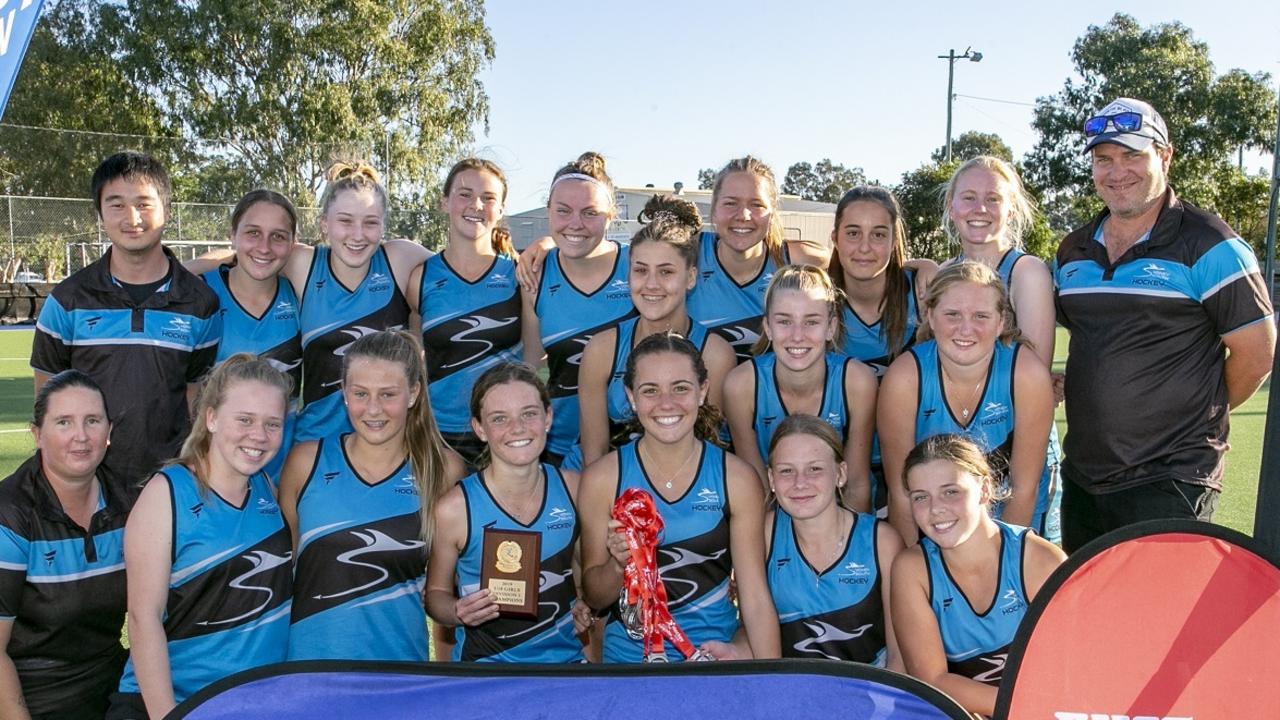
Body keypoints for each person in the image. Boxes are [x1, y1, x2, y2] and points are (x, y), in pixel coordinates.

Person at [1054, 97, 1275, 552]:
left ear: (1165, 155)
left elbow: (1258, 354)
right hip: (1083, 476)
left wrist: (1195, 417)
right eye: (1104, 159)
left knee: (1161, 619)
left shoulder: (1210, 243)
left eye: (1133, 155)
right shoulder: (1073, 250)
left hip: (1170, 478)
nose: (1117, 172)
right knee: (1088, 616)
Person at [186, 161, 432, 445]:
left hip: (389, 441)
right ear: (324, 224)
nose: (357, 234)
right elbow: (245, 252)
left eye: (371, 223)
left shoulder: (399, 258)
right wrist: (173, 273)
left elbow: (453, 270)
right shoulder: (304, 264)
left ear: (384, 226)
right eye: (345, 221)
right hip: (316, 443)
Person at [110, 355, 294, 719]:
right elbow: (143, 619)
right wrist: (169, 715)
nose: (258, 435)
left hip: (250, 702)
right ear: (210, 417)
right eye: (244, 419)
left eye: (272, 424)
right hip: (177, 704)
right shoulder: (168, 494)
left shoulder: (265, 488)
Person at [579, 332, 780, 662]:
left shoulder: (736, 477)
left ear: (703, 391)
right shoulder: (603, 478)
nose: (666, 403)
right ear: (631, 396)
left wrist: (773, 689)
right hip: (630, 664)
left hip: (709, 659)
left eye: (681, 388)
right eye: (650, 391)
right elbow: (595, 597)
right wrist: (617, 566)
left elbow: (755, 597)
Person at [31, 151, 221, 494]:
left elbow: (195, 396)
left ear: (167, 211)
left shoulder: (201, 304)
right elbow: (47, 399)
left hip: (169, 483)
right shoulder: (67, 300)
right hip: (87, 488)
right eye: (116, 204)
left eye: (144, 204)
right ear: (100, 213)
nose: (132, 217)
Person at [280, 330, 465, 662]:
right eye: (361, 393)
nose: (373, 409)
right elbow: (279, 580)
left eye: (388, 394)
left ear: (413, 393)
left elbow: (444, 590)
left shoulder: (443, 469)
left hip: (399, 671)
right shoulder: (305, 462)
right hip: (308, 670)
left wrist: (446, 674)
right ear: (344, 394)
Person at [879, 262, 1058, 544]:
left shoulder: (1026, 374)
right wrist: (919, 566)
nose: (966, 329)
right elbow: (902, 493)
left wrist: (1000, 563)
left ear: (1001, 322)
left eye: (981, 316)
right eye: (952, 314)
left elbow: (1023, 489)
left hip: (1008, 514)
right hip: (934, 517)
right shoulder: (905, 378)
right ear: (931, 317)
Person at [891, 434, 1065, 717]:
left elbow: (1070, 668)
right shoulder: (913, 570)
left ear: (984, 489)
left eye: (951, 492)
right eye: (921, 497)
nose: (936, 509)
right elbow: (933, 680)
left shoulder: (1038, 561)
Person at [426, 363, 589, 662]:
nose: (517, 428)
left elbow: (584, 577)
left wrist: (585, 602)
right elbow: (435, 594)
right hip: (487, 672)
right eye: (499, 418)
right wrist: (456, 611)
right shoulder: (454, 508)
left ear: (548, 417)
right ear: (479, 428)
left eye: (529, 413)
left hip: (565, 668)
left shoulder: (575, 490)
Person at [0, 371, 127, 720]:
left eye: (92, 420)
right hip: (30, 691)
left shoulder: (129, 505)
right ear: (37, 434)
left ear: (109, 431)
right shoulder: (9, 515)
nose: (81, 437)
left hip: (109, 682)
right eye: (64, 422)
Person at [578, 194, 736, 466]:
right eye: (641, 270)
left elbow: (710, 452)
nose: (651, 284)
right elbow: (594, 456)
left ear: (690, 278)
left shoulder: (716, 354)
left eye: (666, 272)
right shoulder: (602, 349)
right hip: (612, 483)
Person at [722, 265, 877, 510]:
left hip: (839, 515)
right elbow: (758, 489)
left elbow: (856, 485)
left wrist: (844, 545)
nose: (797, 336)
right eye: (784, 321)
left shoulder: (856, 381)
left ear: (831, 327)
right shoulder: (741, 385)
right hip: (775, 513)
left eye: (811, 322)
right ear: (767, 327)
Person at [521, 152, 634, 470]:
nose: (575, 224)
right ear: (548, 212)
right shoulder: (536, 276)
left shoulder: (638, 266)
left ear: (611, 215)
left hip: (634, 448)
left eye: (590, 212)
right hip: (561, 450)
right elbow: (532, 369)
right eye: (563, 211)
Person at [828, 185, 935, 515]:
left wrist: (930, 267)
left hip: (914, 467)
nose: (864, 247)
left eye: (878, 234)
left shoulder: (923, 294)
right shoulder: (817, 301)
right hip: (839, 473)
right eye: (853, 233)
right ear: (835, 237)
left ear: (894, 240)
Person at [407, 158, 521, 467]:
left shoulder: (520, 275)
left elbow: (535, 356)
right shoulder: (421, 278)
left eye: (488, 197)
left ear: (501, 209)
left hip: (506, 433)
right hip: (440, 436)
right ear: (444, 202)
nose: (476, 204)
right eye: (464, 194)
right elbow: (416, 355)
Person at [764, 415, 903, 667]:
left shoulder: (881, 541)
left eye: (815, 468)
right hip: (795, 694)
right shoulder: (763, 535)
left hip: (870, 694)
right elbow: (750, 622)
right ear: (772, 480)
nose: (800, 483)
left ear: (840, 473)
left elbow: (900, 654)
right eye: (786, 471)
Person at [200, 189, 302, 484]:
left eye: (278, 236)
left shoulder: (300, 296)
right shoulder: (198, 293)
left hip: (282, 469)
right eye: (253, 233)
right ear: (233, 235)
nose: (265, 247)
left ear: (293, 244)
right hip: (215, 470)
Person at [686, 156, 830, 362]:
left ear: (771, 215)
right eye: (730, 203)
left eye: (756, 204)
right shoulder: (688, 254)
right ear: (714, 210)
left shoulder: (796, 259)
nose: (743, 215)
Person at [940, 156, 1056, 367]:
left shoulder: (1028, 273)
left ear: (1010, 210)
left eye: (993, 199)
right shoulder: (942, 273)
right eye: (968, 197)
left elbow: (1036, 376)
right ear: (951, 207)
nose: (980, 209)